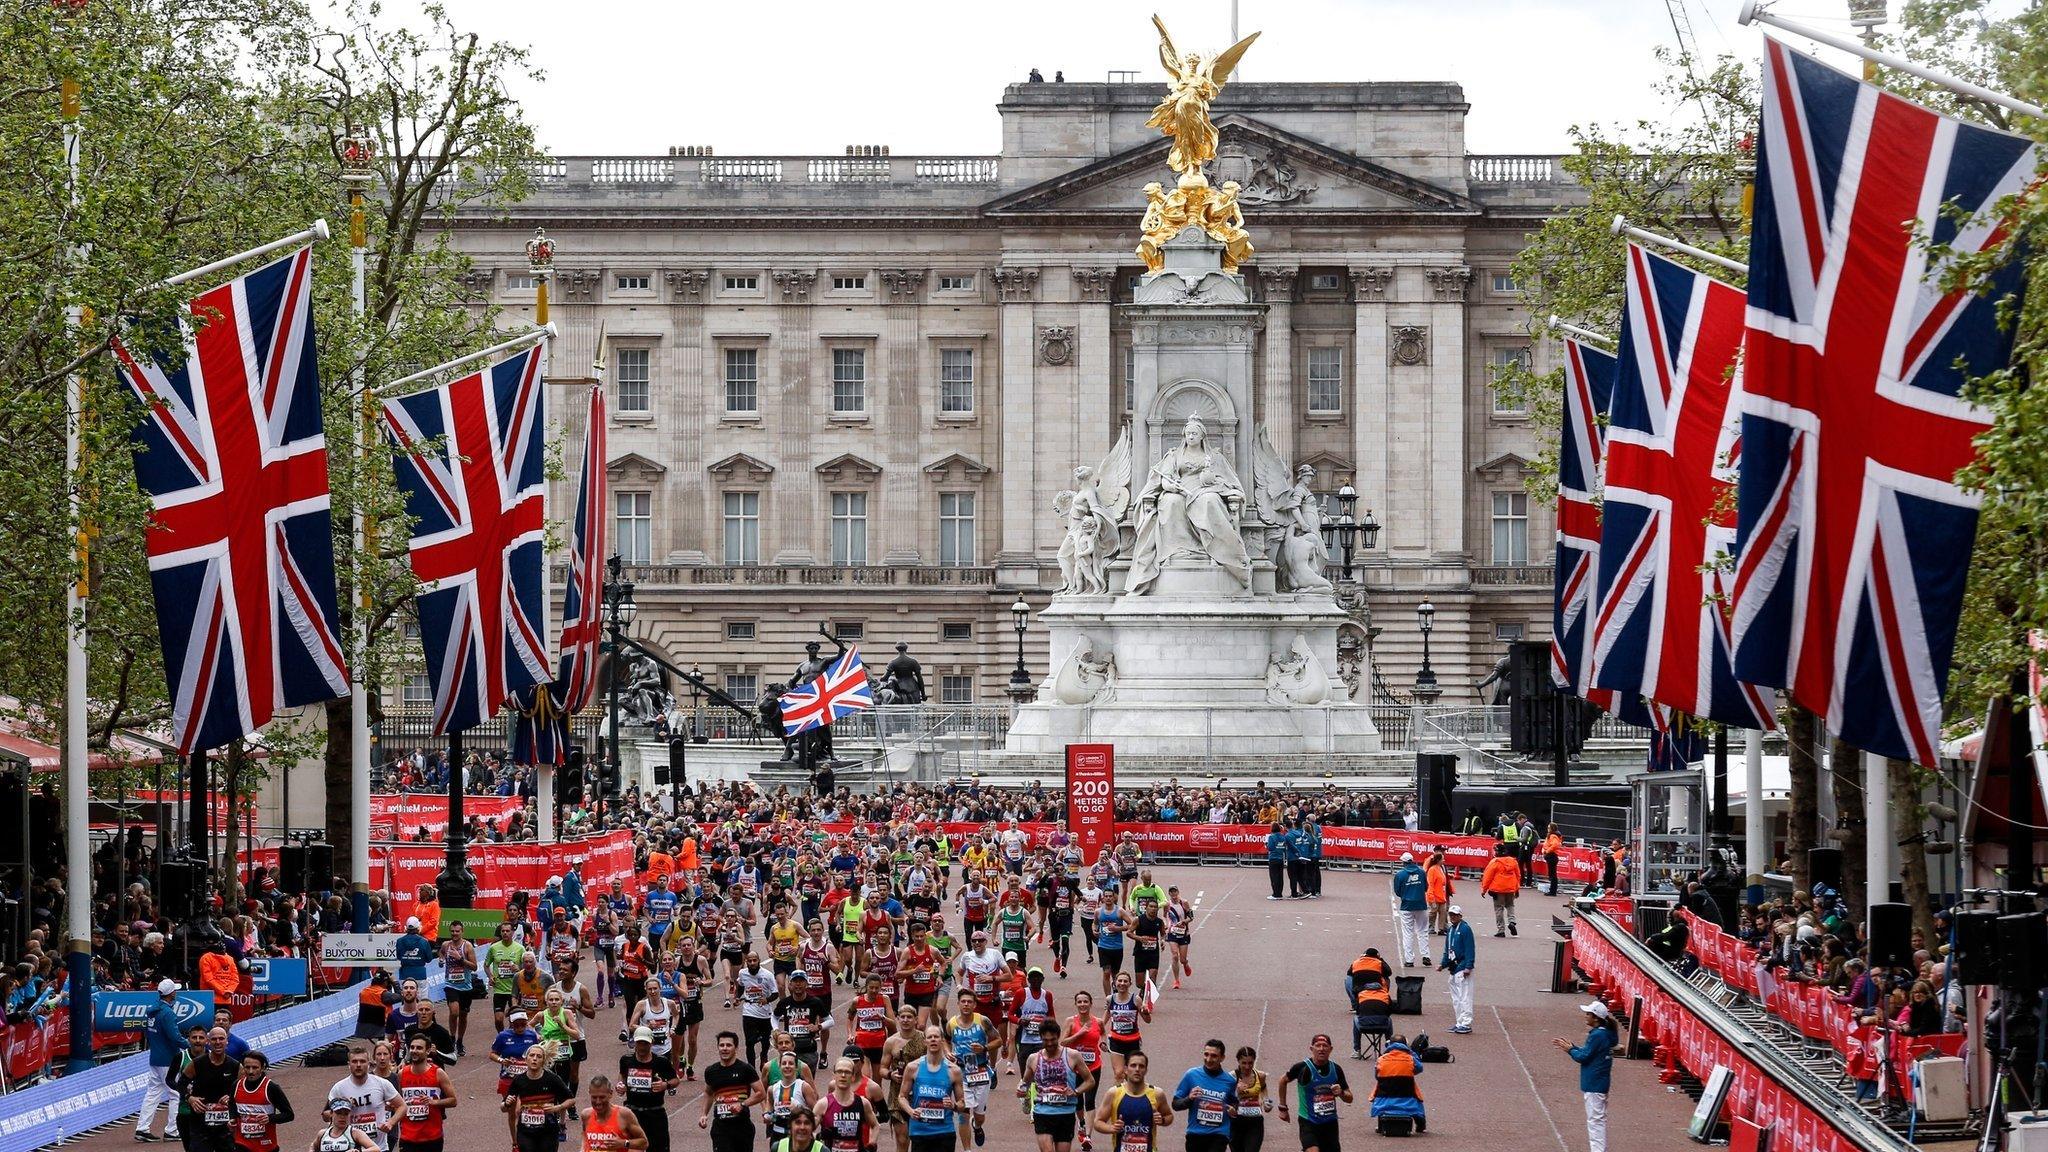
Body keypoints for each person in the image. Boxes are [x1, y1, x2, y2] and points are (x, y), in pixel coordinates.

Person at [1020, 1020, 1094, 1152]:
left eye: (1052, 1040)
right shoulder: (1033, 1058)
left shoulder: (1073, 1055)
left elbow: (1090, 1081)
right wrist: (1021, 1090)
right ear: (1040, 1038)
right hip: (1042, 1113)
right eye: (1045, 1040)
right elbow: (1025, 1082)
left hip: (1065, 1113)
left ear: (1058, 1036)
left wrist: (1076, 1091)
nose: (1049, 1043)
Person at [1555, 1002, 1615, 1152]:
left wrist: (1570, 1050)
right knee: (1597, 1119)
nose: (1586, 1016)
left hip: (1594, 1083)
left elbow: (1584, 1057)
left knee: (1595, 1121)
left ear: (1595, 1018)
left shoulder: (1597, 1035)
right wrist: (1573, 1048)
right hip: (1599, 1082)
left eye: (1588, 1014)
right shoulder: (1605, 1034)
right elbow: (1589, 1052)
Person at [1275, 1035, 1349, 1152]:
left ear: (1331, 1049)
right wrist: (1283, 1108)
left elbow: (1349, 1098)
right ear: (1311, 1048)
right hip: (1308, 1121)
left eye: (1325, 1046)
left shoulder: (1336, 1069)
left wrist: (1341, 1093)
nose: (1321, 1049)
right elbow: (1282, 1081)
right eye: (1318, 1046)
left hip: (1330, 1123)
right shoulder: (1302, 1068)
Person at [174, 1027, 241, 1152]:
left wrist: (232, 1097)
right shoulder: (197, 1063)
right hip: (200, 1123)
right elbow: (181, 1084)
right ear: (208, 1042)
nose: (218, 1042)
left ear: (227, 1042)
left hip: (225, 1125)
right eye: (214, 1039)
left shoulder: (235, 1066)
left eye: (221, 1039)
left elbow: (245, 1089)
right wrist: (190, 1098)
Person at [900, 1025, 965, 1152]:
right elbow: (902, 1097)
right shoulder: (913, 1067)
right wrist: (911, 1111)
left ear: (942, 1041)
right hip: (920, 1131)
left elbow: (962, 1103)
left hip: (944, 1131)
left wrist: (953, 1106)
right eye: (930, 1037)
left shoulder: (954, 1070)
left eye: (936, 1037)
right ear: (925, 1041)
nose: (933, 1039)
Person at [137, 977, 187, 1142]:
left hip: (155, 1058)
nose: (176, 992)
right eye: (175, 990)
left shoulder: (154, 1011)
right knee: (176, 1094)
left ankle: (142, 1128)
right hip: (168, 1060)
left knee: (152, 1093)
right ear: (171, 993)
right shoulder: (167, 1013)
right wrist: (191, 1046)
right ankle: (172, 1130)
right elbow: (175, 1037)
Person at [946, 990, 997, 1147]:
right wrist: (948, 1053)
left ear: (974, 1004)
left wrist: (984, 1048)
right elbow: (945, 1040)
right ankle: (967, 1149)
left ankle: (978, 1125)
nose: (966, 1004)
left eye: (969, 1001)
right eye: (963, 1001)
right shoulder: (952, 1023)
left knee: (979, 1115)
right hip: (961, 1073)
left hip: (981, 1071)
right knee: (963, 1114)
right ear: (958, 1004)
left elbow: (999, 1040)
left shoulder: (983, 1021)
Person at [1092, 1051, 1170, 1152]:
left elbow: (1169, 1116)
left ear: (1146, 1070)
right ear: (1125, 1069)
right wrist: (1112, 1128)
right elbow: (1098, 1122)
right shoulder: (1114, 1093)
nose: (1137, 1069)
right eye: (1133, 1065)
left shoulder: (1157, 1093)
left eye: (1141, 1066)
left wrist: (1162, 1120)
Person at [699, 1030, 764, 1152]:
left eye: (729, 1045)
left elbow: (761, 1093)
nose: (724, 1048)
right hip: (720, 1127)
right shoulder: (711, 1071)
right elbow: (708, 1093)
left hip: (742, 1126)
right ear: (718, 1047)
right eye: (721, 1045)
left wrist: (742, 1104)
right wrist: (704, 1114)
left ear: (736, 1048)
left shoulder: (746, 1069)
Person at [329, 1045, 400, 1152]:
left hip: (379, 1147)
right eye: (354, 1061)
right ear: (349, 1064)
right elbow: (326, 1114)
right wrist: (342, 1108)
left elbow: (402, 1106)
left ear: (368, 1063)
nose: (358, 1065)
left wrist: (391, 1122)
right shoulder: (339, 1088)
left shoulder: (382, 1084)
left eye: (362, 1061)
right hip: (351, 1148)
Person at [620, 1028, 680, 1152]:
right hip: (632, 1113)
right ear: (634, 1043)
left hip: (655, 1114)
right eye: (639, 1043)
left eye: (645, 1043)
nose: (642, 1047)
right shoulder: (626, 1060)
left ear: (652, 1042)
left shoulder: (661, 1062)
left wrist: (665, 1085)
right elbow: (622, 1078)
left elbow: (675, 1080)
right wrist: (620, 1086)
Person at [503, 1047, 574, 1152]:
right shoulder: (518, 1080)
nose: (534, 1059)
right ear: (526, 1059)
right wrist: (506, 1103)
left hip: (548, 1131)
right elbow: (503, 1108)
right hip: (525, 1131)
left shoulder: (552, 1079)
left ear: (543, 1061)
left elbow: (571, 1100)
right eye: (531, 1055)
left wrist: (557, 1108)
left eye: (539, 1056)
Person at [1171, 1040, 1236, 1152]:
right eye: (1206, 1054)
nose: (1209, 1059)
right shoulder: (1191, 1075)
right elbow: (1175, 1105)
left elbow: (1234, 1104)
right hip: (1195, 1134)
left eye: (1214, 1056)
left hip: (1219, 1135)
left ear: (1222, 1058)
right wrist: (1189, 1098)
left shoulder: (1230, 1081)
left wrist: (1233, 1110)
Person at [395, 1034, 457, 1152]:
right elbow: (398, 1101)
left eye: (419, 1048)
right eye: (412, 1047)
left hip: (432, 1138)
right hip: (408, 1137)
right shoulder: (402, 1074)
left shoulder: (438, 1073)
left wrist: (433, 1102)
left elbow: (453, 1100)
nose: (414, 1051)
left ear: (428, 1051)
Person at [231, 1052, 295, 1152]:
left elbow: (289, 1115)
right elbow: (232, 1106)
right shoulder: (236, 1085)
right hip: (242, 1144)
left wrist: (269, 1118)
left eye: (255, 1067)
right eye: (247, 1067)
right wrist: (232, 1120)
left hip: (266, 1146)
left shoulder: (271, 1088)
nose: (251, 1071)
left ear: (262, 1068)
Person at [816, 1057, 879, 1152]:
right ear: (834, 1075)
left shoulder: (862, 1103)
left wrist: (871, 1145)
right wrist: (818, 1140)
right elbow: (807, 1130)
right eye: (839, 1071)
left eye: (847, 1072)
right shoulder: (823, 1104)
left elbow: (875, 1125)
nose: (843, 1075)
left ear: (853, 1076)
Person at [1366, 1038, 1423, 1134]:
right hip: (1407, 1099)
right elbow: (1419, 1068)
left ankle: (1381, 1126)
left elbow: (1377, 1077)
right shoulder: (1411, 1058)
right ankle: (1420, 1126)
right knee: (1418, 1099)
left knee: (1379, 1090)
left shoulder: (1381, 1059)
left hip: (1383, 1100)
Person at [1343, 950, 1393, 1060]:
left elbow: (1349, 973)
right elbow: (1390, 1010)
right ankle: (1390, 1047)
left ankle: (1357, 1050)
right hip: (1383, 1025)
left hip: (1363, 1024)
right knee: (1389, 1020)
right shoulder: (1384, 994)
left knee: (1356, 1019)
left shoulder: (1362, 995)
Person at [581, 1076, 650, 1152]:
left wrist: (623, 1143)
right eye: (594, 1097)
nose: (598, 1102)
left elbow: (644, 1143)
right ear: (589, 1093)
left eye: (602, 1097)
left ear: (610, 1093)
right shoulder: (586, 1115)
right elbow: (585, 1138)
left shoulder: (624, 1115)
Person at [1389, 855, 1430, 969]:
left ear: (1403, 862)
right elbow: (1426, 887)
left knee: (1408, 933)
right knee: (1423, 931)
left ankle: (1409, 959)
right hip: (1421, 904)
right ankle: (1425, 955)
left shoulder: (1400, 875)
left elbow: (1397, 891)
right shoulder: (1421, 872)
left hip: (1406, 905)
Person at [1226, 1047, 1269, 1152]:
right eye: (1243, 1063)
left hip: (1255, 1121)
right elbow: (1224, 1098)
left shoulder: (1260, 1075)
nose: (1247, 1066)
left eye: (1250, 1063)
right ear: (1238, 1061)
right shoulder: (1231, 1077)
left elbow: (1263, 1089)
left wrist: (1266, 1101)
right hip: (1235, 1122)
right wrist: (1237, 1092)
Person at [1441, 907, 1476, 1034]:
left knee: (1465, 996)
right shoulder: (1451, 930)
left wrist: (1468, 966)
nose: (1453, 917)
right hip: (1454, 967)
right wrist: (1443, 964)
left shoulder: (1465, 929)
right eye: (1451, 915)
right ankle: (1459, 1021)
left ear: (1460, 915)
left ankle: (1466, 1023)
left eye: (1455, 915)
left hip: (1462, 967)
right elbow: (1448, 949)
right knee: (1457, 998)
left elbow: (1469, 949)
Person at [1480, 846, 1521, 938]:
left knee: (1499, 908)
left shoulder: (1495, 862)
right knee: (1510, 905)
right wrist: (1517, 888)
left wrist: (1484, 889)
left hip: (1498, 889)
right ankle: (1512, 921)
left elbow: (1487, 877)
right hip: (1510, 888)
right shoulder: (1513, 861)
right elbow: (1518, 875)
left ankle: (1501, 930)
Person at [315, 1098, 382, 1152]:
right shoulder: (322, 1134)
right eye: (339, 1113)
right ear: (331, 1113)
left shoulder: (355, 1133)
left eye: (346, 1114)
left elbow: (376, 1149)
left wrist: (359, 1151)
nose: (342, 1117)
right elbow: (313, 1147)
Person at [1424, 852, 1452, 937]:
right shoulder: (1432, 870)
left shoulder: (1440, 868)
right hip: (1435, 896)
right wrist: (1431, 898)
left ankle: (1441, 929)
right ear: (1438, 860)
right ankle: (1430, 928)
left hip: (1441, 895)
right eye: (1442, 859)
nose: (1444, 860)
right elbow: (1431, 884)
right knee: (1433, 913)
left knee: (1443, 913)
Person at [1263, 825, 1291, 902]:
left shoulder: (1271, 837)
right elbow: (1284, 847)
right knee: (1280, 876)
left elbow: (1270, 848)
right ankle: (1279, 893)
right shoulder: (1283, 837)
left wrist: (1266, 845)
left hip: (1273, 858)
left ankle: (1276, 894)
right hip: (1281, 858)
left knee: (1274, 876)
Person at [1541, 826, 1564, 898]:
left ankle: (1553, 891)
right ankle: (1552, 890)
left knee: (1553, 874)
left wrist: (1547, 851)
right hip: (1551, 856)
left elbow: (1555, 845)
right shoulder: (1552, 836)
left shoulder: (1553, 836)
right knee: (1552, 874)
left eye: (1549, 828)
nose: (1547, 829)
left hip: (1552, 856)